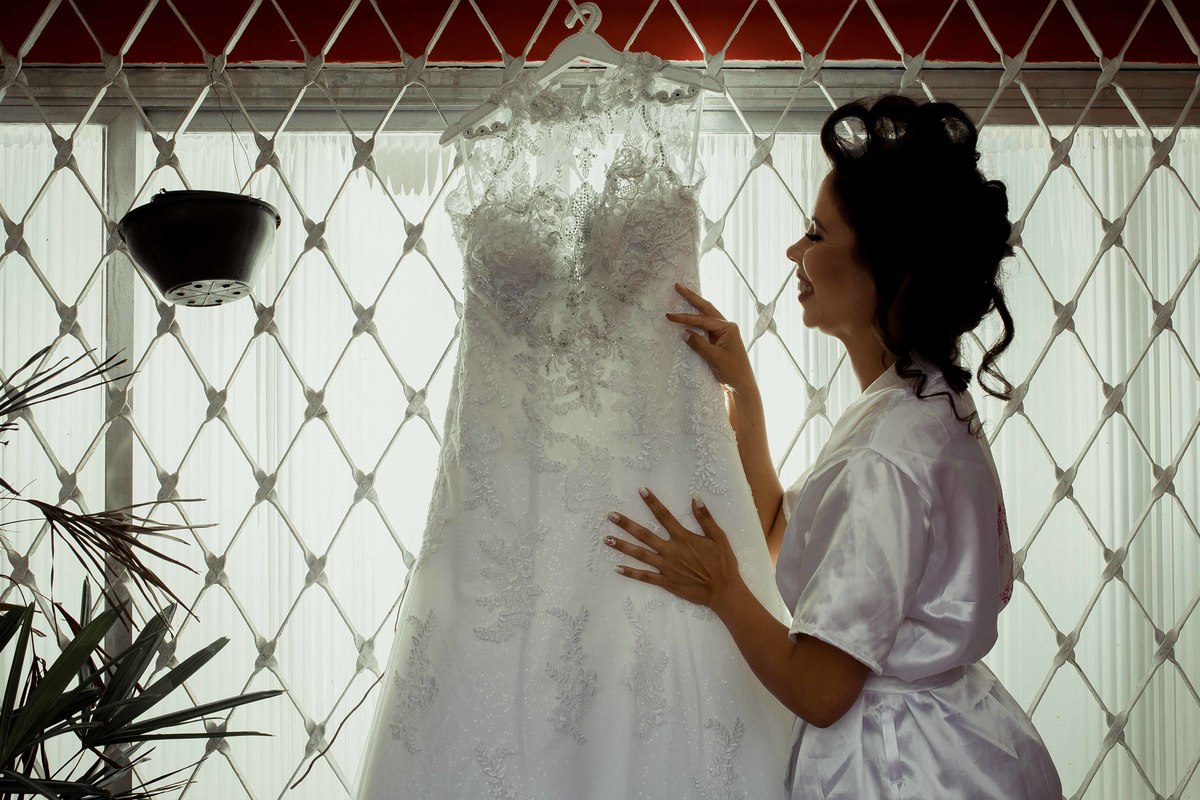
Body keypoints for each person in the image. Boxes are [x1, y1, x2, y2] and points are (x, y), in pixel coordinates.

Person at [604, 95, 1063, 799]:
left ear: (892, 273)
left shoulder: (886, 453)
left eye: (817, 235)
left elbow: (821, 691)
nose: (796, 251)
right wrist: (747, 407)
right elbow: (794, 542)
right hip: (967, 740)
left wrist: (721, 588)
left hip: (902, 772)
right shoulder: (934, 400)